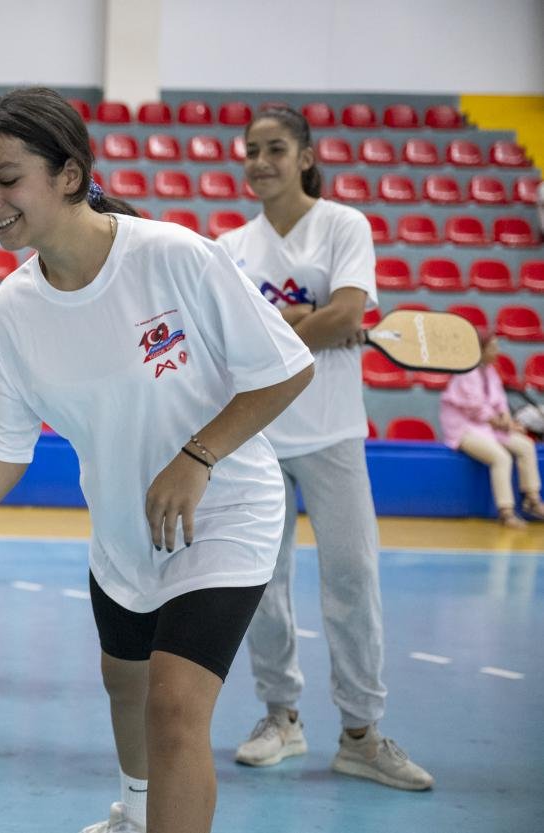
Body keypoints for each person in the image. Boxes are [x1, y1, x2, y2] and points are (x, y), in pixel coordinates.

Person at [0, 87, 314, 833]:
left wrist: (197, 455)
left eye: (7, 178)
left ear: (70, 173)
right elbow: (1, 456)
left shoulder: (173, 256)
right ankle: (135, 816)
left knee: (174, 708)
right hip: (122, 526)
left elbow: (286, 368)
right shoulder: (12, 308)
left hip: (226, 508)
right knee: (124, 684)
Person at [217, 105, 434, 791]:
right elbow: (231, 336)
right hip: (255, 433)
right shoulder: (229, 248)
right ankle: (280, 716)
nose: (259, 161)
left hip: (334, 430)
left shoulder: (344, 225)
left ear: (305, 156)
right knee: (260, 583)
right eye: (250, 150)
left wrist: (276, 324)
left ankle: (361, 734)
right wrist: (307, 321)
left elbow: (349, 312)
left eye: (274, 148)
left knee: (352, 578)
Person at [440, 329, 543, 526]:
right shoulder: (465, 373)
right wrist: (506, 424)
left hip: (491, 428)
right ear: (480, 350)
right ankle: (506, 511)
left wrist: (506, 419)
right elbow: (475, 409)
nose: (497, 351)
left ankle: (532, 500)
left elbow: (499, 402)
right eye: (493, 347)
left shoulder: (490, 372)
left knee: (525, 447)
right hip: (465, 430)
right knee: (501, 457)